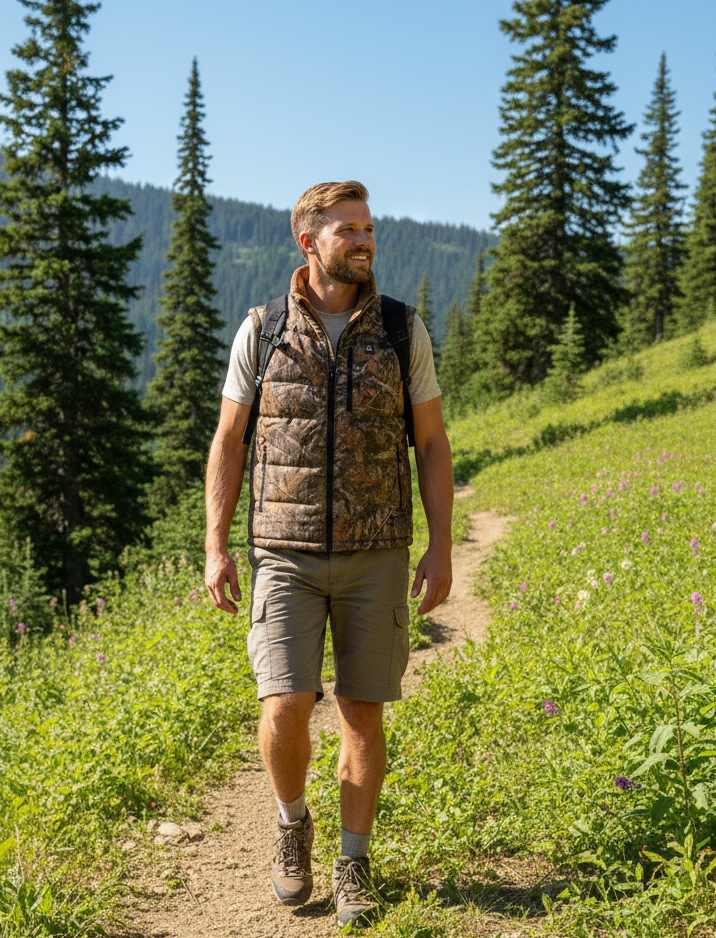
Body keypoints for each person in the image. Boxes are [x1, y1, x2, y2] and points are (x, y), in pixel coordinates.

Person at [205, 180, 454, 926]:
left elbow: (433, 443)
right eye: (347, 228)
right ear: (307, 241)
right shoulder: (264, 328)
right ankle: (291, 824)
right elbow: (228, 440)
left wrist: (441, 547)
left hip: (377, 551)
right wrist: (216, 545)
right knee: (284, 704)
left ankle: (353, 860)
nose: (364, 239)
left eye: (368, 227)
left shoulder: (403, 330)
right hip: (283, 552)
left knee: (361, 714)